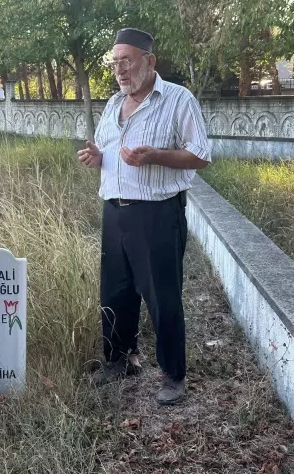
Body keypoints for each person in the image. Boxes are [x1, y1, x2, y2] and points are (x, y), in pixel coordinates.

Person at [77, 28, 211, 405]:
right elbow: (111, 153)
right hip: (114, 211)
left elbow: (200, 154)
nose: (120, 70)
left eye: (127, 61)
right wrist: (98, 158)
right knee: (115, 291)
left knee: (161, 296)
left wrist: (155, 156)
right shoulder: (112, 104)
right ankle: (121, 359)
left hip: (156, 214)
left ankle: (173, 376)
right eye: (115, 62)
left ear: (149, 62)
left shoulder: (177, 100)